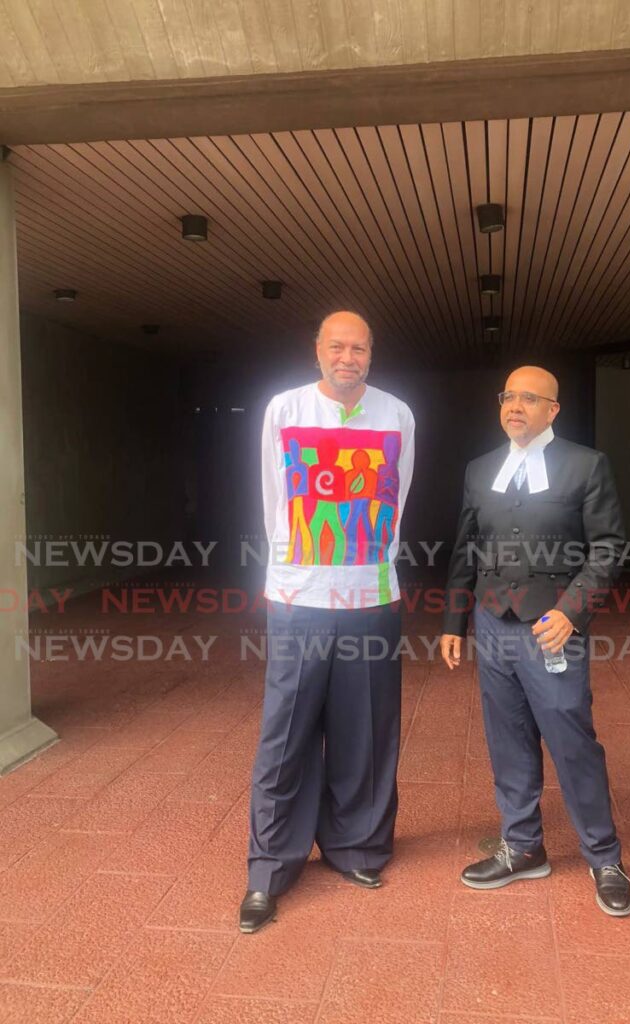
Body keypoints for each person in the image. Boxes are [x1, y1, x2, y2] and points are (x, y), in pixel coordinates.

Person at [240, 310, 416, 934]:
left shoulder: (397, 414)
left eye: (360, 348)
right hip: (300, 598)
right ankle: (270, 867)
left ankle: (357, 848)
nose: (349, 357)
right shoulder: (283, 409)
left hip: (371, 599)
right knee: (284, 733)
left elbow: (397, 500)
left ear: (372, 353)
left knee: (366, 731)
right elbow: (273, 502)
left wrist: (381, 576)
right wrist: (286, 579)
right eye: (338, 346)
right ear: (317, 350)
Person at [440, 365, 630, 916]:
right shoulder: (480, 470)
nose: (515, 405)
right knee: (507, 740)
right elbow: (464, 550)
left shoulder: (586, 465)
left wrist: (573, 611)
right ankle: (523, 846)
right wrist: (455, 622)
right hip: (493, 625)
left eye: (530, 398)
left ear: (554, 409)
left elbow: (608, 549)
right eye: (508, 396)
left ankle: (604, 856)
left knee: (573, 741)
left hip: (552, 629)